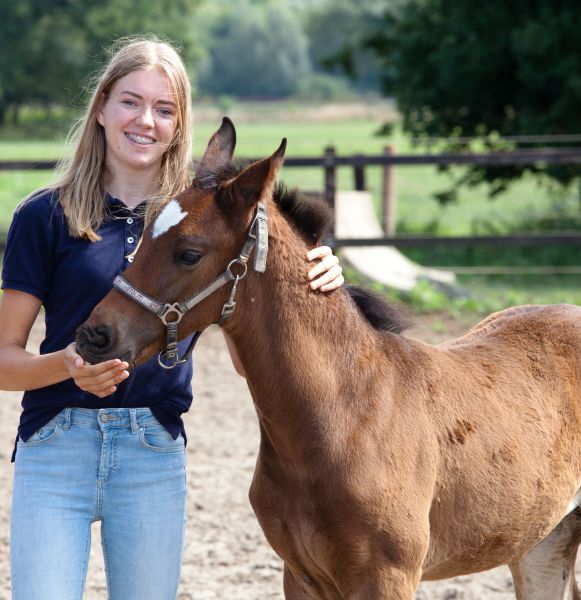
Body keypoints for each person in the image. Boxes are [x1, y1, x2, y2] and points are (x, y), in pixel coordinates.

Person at [0, 35, 344, 600]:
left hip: (150, 451)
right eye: (131, 101)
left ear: (179, 124)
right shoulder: (45, 216)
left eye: (164, 109)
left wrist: (313, 276)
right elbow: (6, 359)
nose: (145, 121)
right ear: (103, 106)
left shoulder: (201, 226)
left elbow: (246, 357)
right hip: (55, 447)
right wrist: (66, 366)